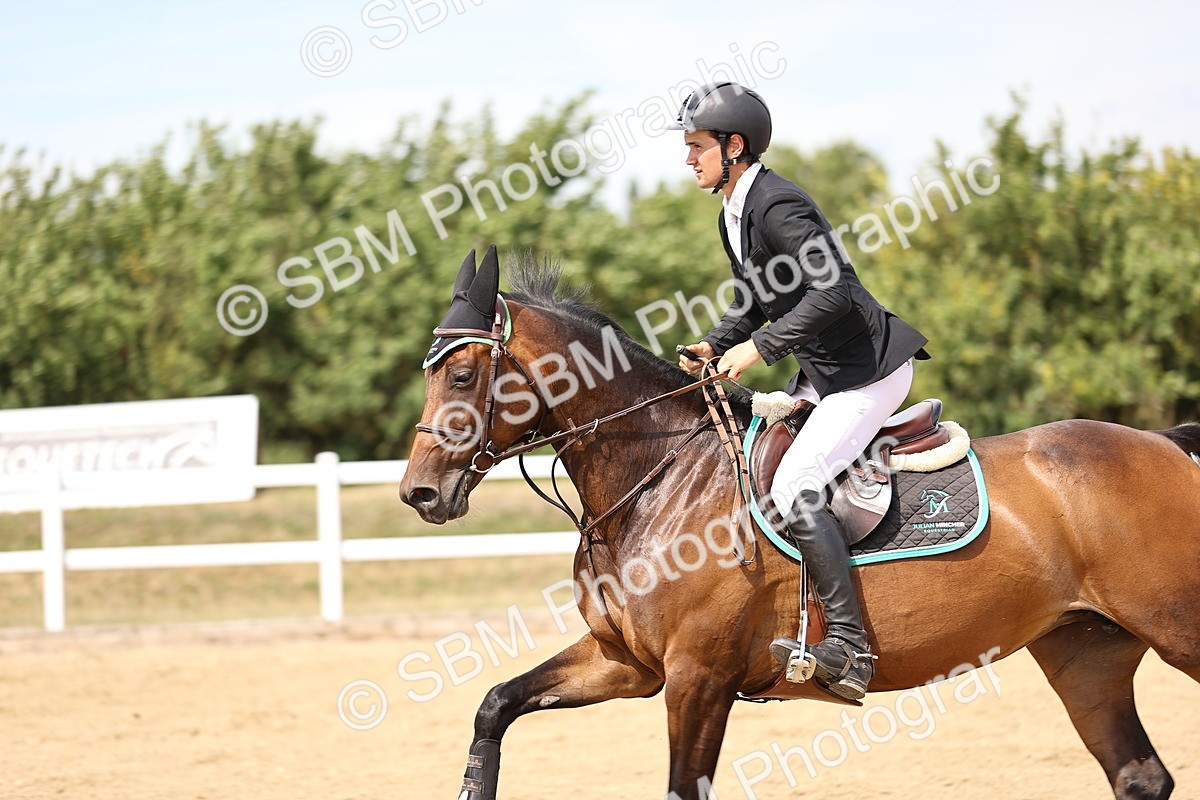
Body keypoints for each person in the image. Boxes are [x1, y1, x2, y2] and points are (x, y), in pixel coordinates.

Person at [670, 82, 930, 701]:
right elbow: (757, 298)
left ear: (734, 147)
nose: (688, 160)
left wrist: (759, 349)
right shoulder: (734, 211)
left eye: (697, 147)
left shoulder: (778, 204)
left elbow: (834, 290)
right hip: (826, 374)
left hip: (867, 371)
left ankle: (849, 645)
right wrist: (717, 341)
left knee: (793, 484)